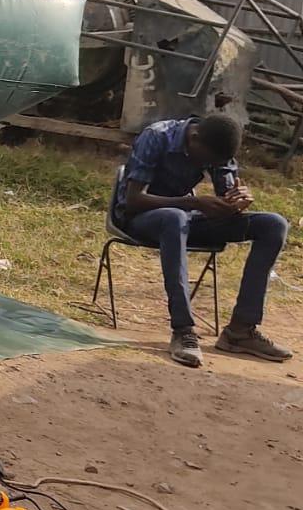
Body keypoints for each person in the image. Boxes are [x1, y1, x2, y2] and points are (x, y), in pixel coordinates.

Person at [117, 112, 292, 368]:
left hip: (185, 218)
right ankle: (183, 331)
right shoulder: (157, 136)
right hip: (142, 219)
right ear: (194, 137)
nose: (208, 165)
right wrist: (193, 202)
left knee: (273, 224)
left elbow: (225, 190)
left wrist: (235, 200)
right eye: (207, 160)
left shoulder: (215, 146)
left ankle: (240, 331)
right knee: (174, 218)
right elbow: (133, 200)